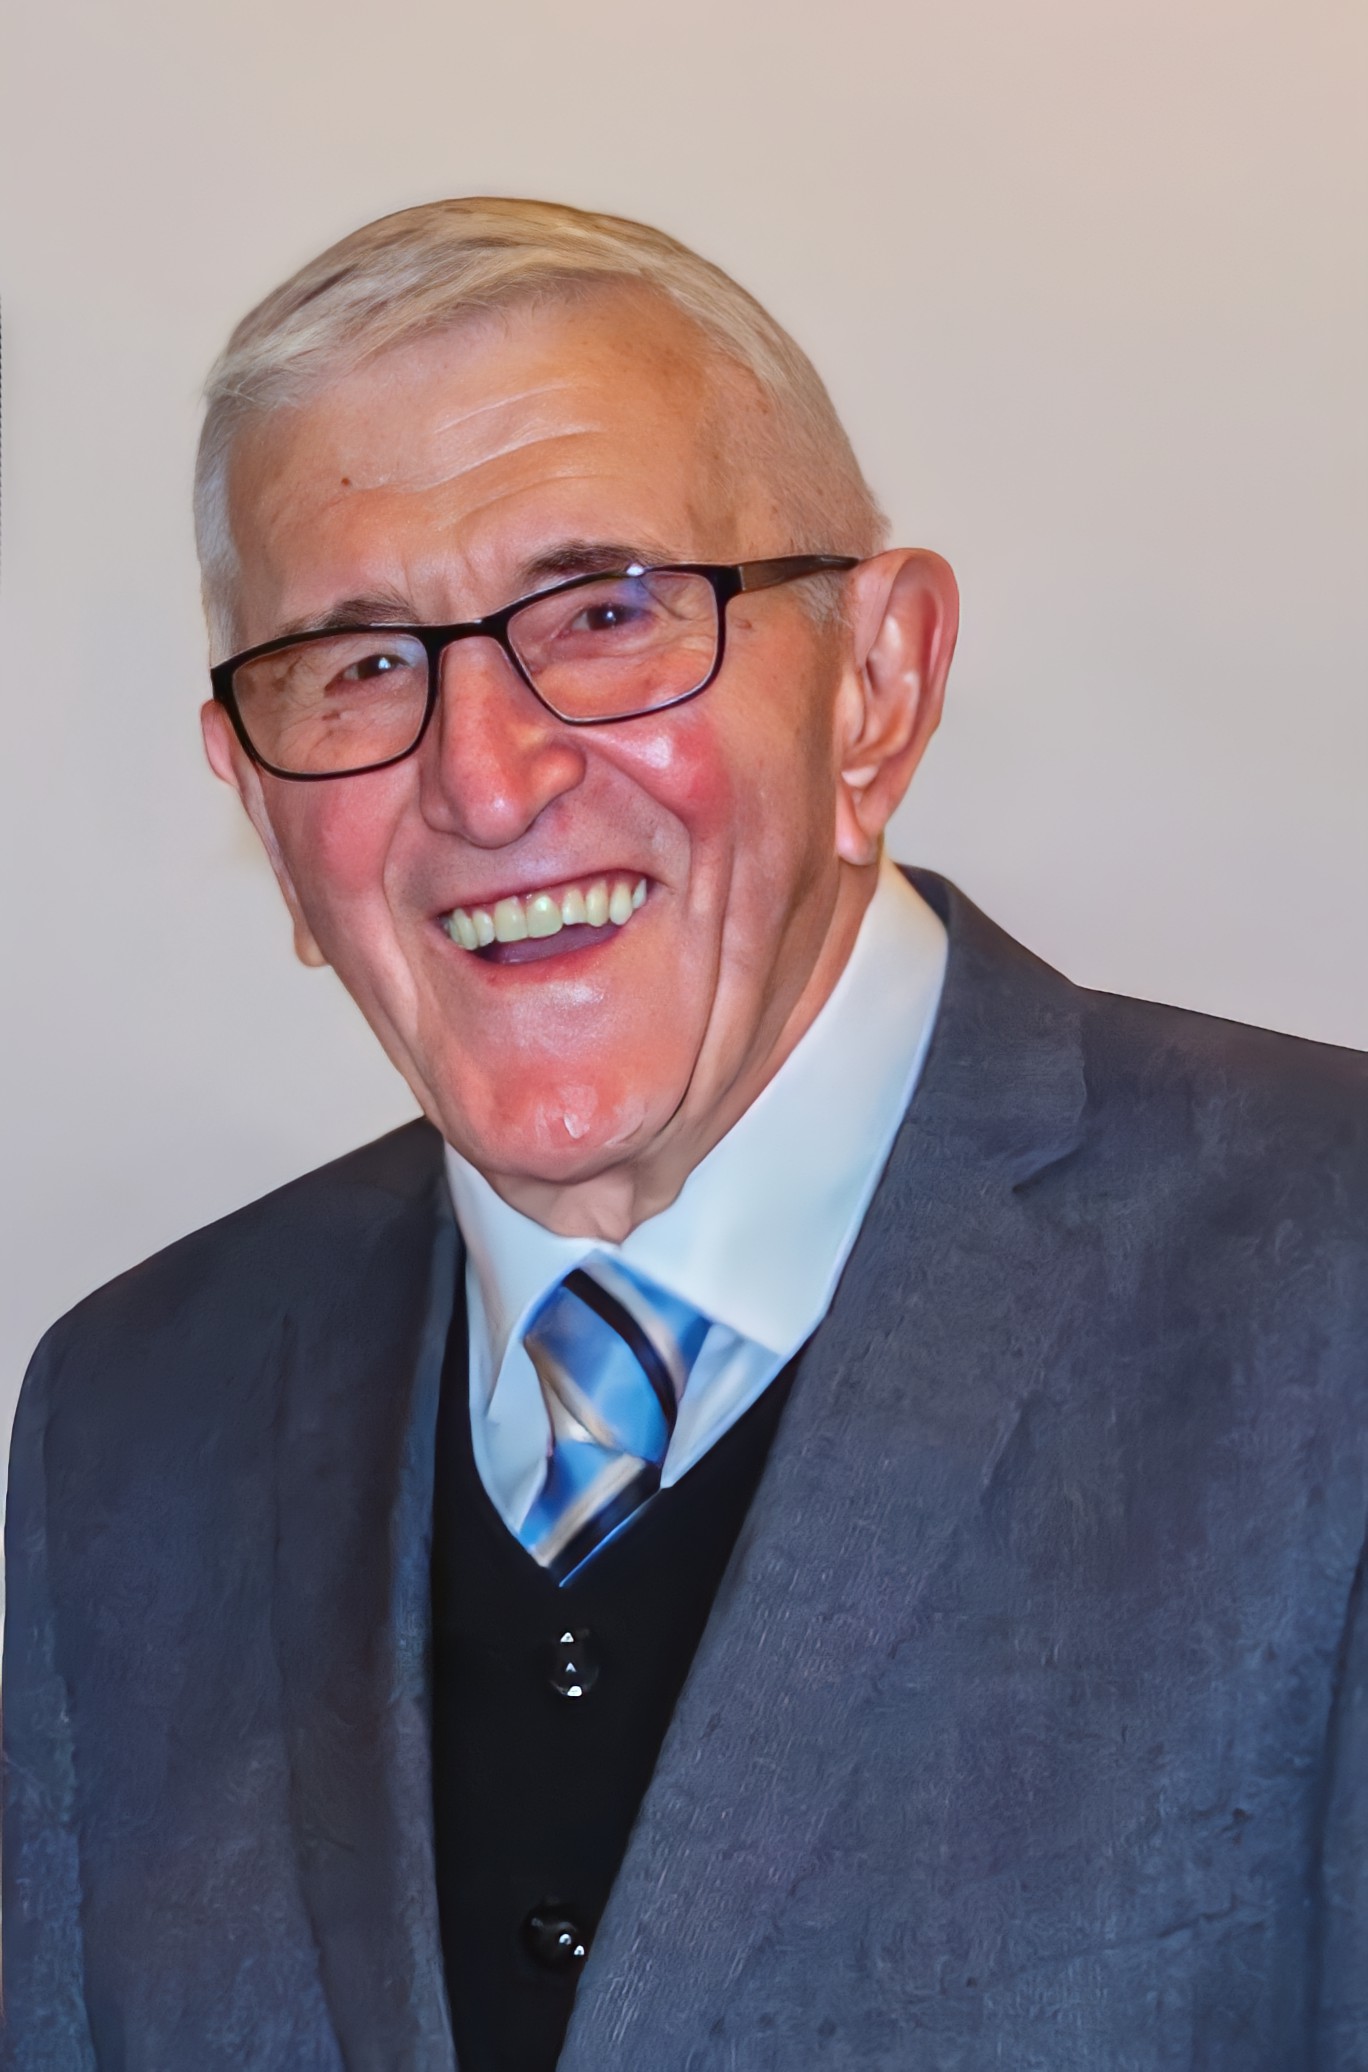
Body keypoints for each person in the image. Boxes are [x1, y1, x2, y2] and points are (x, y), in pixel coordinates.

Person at [3, 197, 1364, 2072]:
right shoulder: (128, 1429)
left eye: (608, 613)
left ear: (877, 688)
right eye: (361, 665)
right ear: (262, 810)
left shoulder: (1331, 1295)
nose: (486, 783)